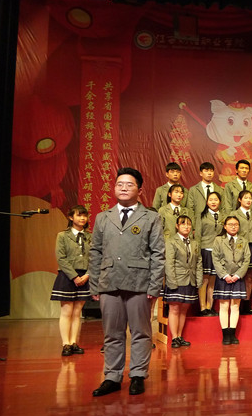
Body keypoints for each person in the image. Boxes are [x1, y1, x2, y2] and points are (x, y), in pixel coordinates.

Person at [90, 167, 165, 397]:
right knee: (112, 333)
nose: (123, 188)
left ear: (140, 190)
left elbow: (158, 254)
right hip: (109, 282)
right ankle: (112, 377)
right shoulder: (103, 217)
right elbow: (95, 252)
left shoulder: (151, 217)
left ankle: (138, 375)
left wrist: (154, 285)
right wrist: (95, 284)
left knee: (141, 332)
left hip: (139, 283)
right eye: (119, 184)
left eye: (129, 184)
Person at [51, 205, 91, 356]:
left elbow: (96, 257)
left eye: (84, 215)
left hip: (85, 276)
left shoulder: (90, 236)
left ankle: (74, 342)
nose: (82, 218)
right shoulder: (62, 235)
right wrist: (74, 276)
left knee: (77, 312)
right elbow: (61, 258)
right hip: (67, 276)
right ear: (70, 217)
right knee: (66, 311)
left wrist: (88, 275)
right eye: (79, 215)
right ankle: (65, 344)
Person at [163, 215, 202, 348]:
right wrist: (171, 281)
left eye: (189, 224)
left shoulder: (194, 243)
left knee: (184, 310)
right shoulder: (171, 241)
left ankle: (179, 336)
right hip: (176, 279)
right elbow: (169, 263)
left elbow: (199, 262)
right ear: (177, 226)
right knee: (174, 308)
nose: (186, 227)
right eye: (183, 224)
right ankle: (174, 337)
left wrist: (199, 280)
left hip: (190, 279)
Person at [212, 216, 252, 345]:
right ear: (225, 226)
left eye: (236, 224)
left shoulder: (243, 240)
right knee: (224, 306)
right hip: (223, 277)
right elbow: (215, 259)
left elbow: (247, 259)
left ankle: (232, 334)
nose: (233, 226)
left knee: (235, 306)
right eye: (230, 224)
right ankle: (225, 335)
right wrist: (224, 275)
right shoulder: (218, 240)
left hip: (238, 277)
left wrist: (238, 275)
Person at [196, 191, 223, 317]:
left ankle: (209, 306)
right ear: (207, 202)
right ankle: (202, 307)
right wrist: (197, 252)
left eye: (216, 200)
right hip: (205, 250)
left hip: (217, 251)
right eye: (211, 200)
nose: (213, 202)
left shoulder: (223, 216)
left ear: (220, 202)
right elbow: (197, 235)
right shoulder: (202, 216)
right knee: (204, 280)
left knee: (213, 281)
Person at [231, 189, 252, 306]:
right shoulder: (234, 214)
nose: (248, 200)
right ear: (239, 200)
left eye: (250, 198)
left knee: (249, 276)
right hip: (238, 246)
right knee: (239, 273)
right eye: (245, 198)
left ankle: (246, 304)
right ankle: (237, 303)